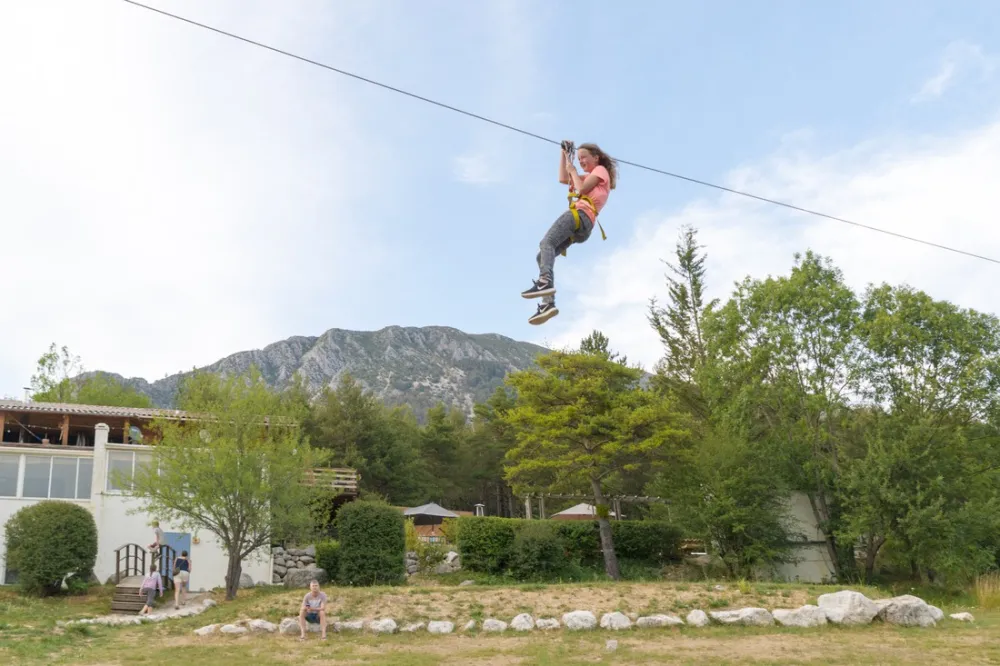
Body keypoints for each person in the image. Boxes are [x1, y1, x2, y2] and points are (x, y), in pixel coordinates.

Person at [521, 141, 618, 324]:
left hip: (579, 216)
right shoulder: (591, 176)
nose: (581, 161)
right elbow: (563, 179)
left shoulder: (600, 171)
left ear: (596, 158)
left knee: (546, 243)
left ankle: (544, 282)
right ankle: (547, 303)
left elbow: (580, 189)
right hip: (583, 227)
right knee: (542, 256)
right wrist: (564, 155)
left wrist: (573, 169)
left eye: (584, 157)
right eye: (579, 158)